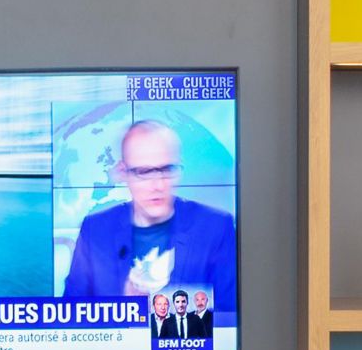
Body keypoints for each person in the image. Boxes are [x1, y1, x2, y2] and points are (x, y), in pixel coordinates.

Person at [60, 118, 239, 321]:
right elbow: (71, 318)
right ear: (123, 172)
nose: (158, 185)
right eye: (144, 172)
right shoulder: (95, 230)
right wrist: (125, 309)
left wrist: (151, 312)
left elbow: (230, 322)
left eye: (167, 170)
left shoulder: (215, 227)